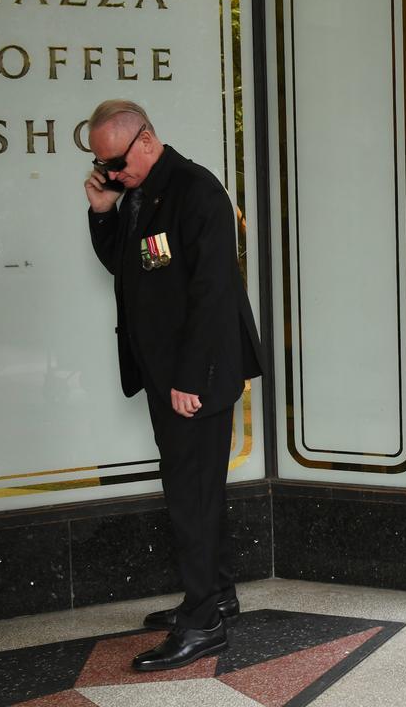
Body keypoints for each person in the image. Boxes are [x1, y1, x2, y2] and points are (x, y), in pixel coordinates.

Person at [83, 99, 263, 671]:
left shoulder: (196, 191)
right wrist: (104, 212)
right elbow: (129, 266)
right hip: (170, 376)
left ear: (144, 139)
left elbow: (213, 296)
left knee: (190, 495)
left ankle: (203, 621)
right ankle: (217, 593)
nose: (110, 173)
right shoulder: (137, 192)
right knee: (199, 488)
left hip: (197, 377)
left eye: (114, 162)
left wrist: (191, 380)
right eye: (100, 165)